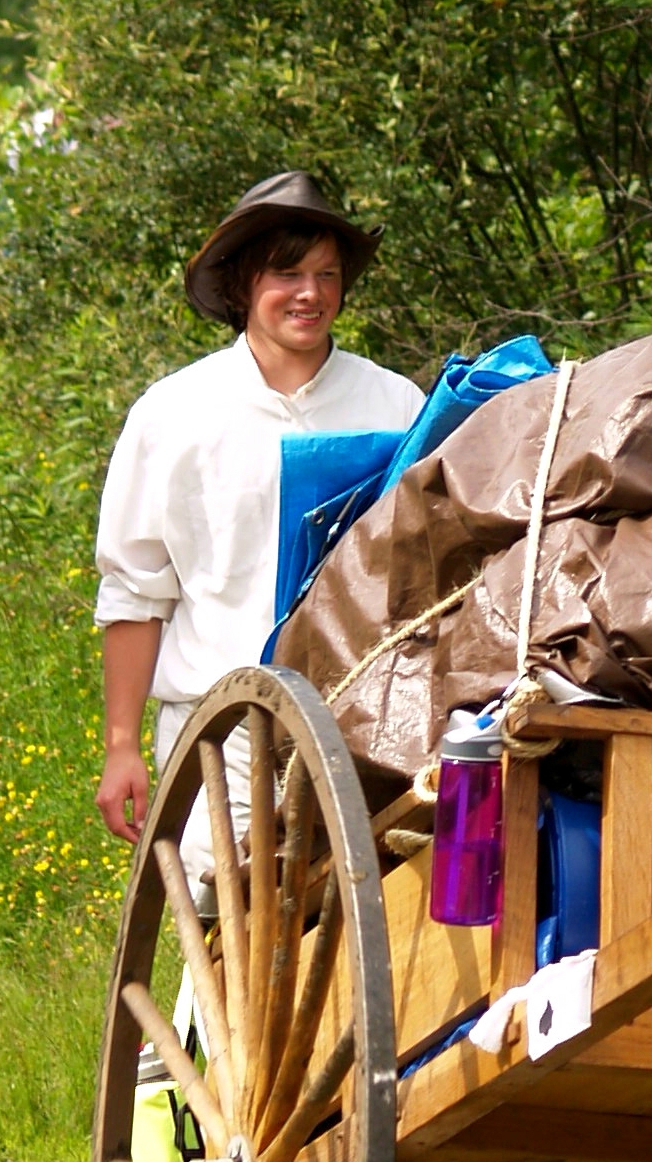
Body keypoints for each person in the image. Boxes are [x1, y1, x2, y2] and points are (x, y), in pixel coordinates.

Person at [93, 174, 422, 854]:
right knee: (222, 942)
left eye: (327, 275)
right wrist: (121, 747)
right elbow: (135, 591)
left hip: (363, 729)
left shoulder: (396, 407)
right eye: (289, 274)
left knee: (360, 939)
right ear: (244, 284)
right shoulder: (174, 413)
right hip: (222, 732)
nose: (311, 293)